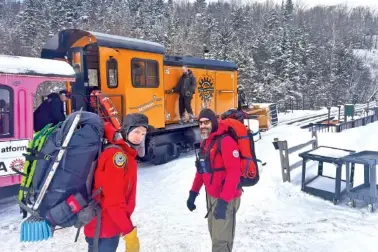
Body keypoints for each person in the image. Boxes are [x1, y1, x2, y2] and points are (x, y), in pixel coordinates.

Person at [84, 113, 148, 252]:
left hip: (109, 225)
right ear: (126, 130)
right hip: (103, 228)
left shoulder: (126, 153)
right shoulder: (117, 157)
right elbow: (113, 201)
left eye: (143, 133)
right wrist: (128, 231)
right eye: (136, 131)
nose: (140, 136)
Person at [187, 108, 242, 252]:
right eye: (201, 123)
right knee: (215, 234)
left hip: (226, 198)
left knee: (221, 242)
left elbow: (234, 173)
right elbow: (202, 171)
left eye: (207, 122)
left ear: (214, 122)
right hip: (211, 196)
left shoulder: (226, 142)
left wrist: (224, 201)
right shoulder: (206, 142)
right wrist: (193, 193)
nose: (203, 126)